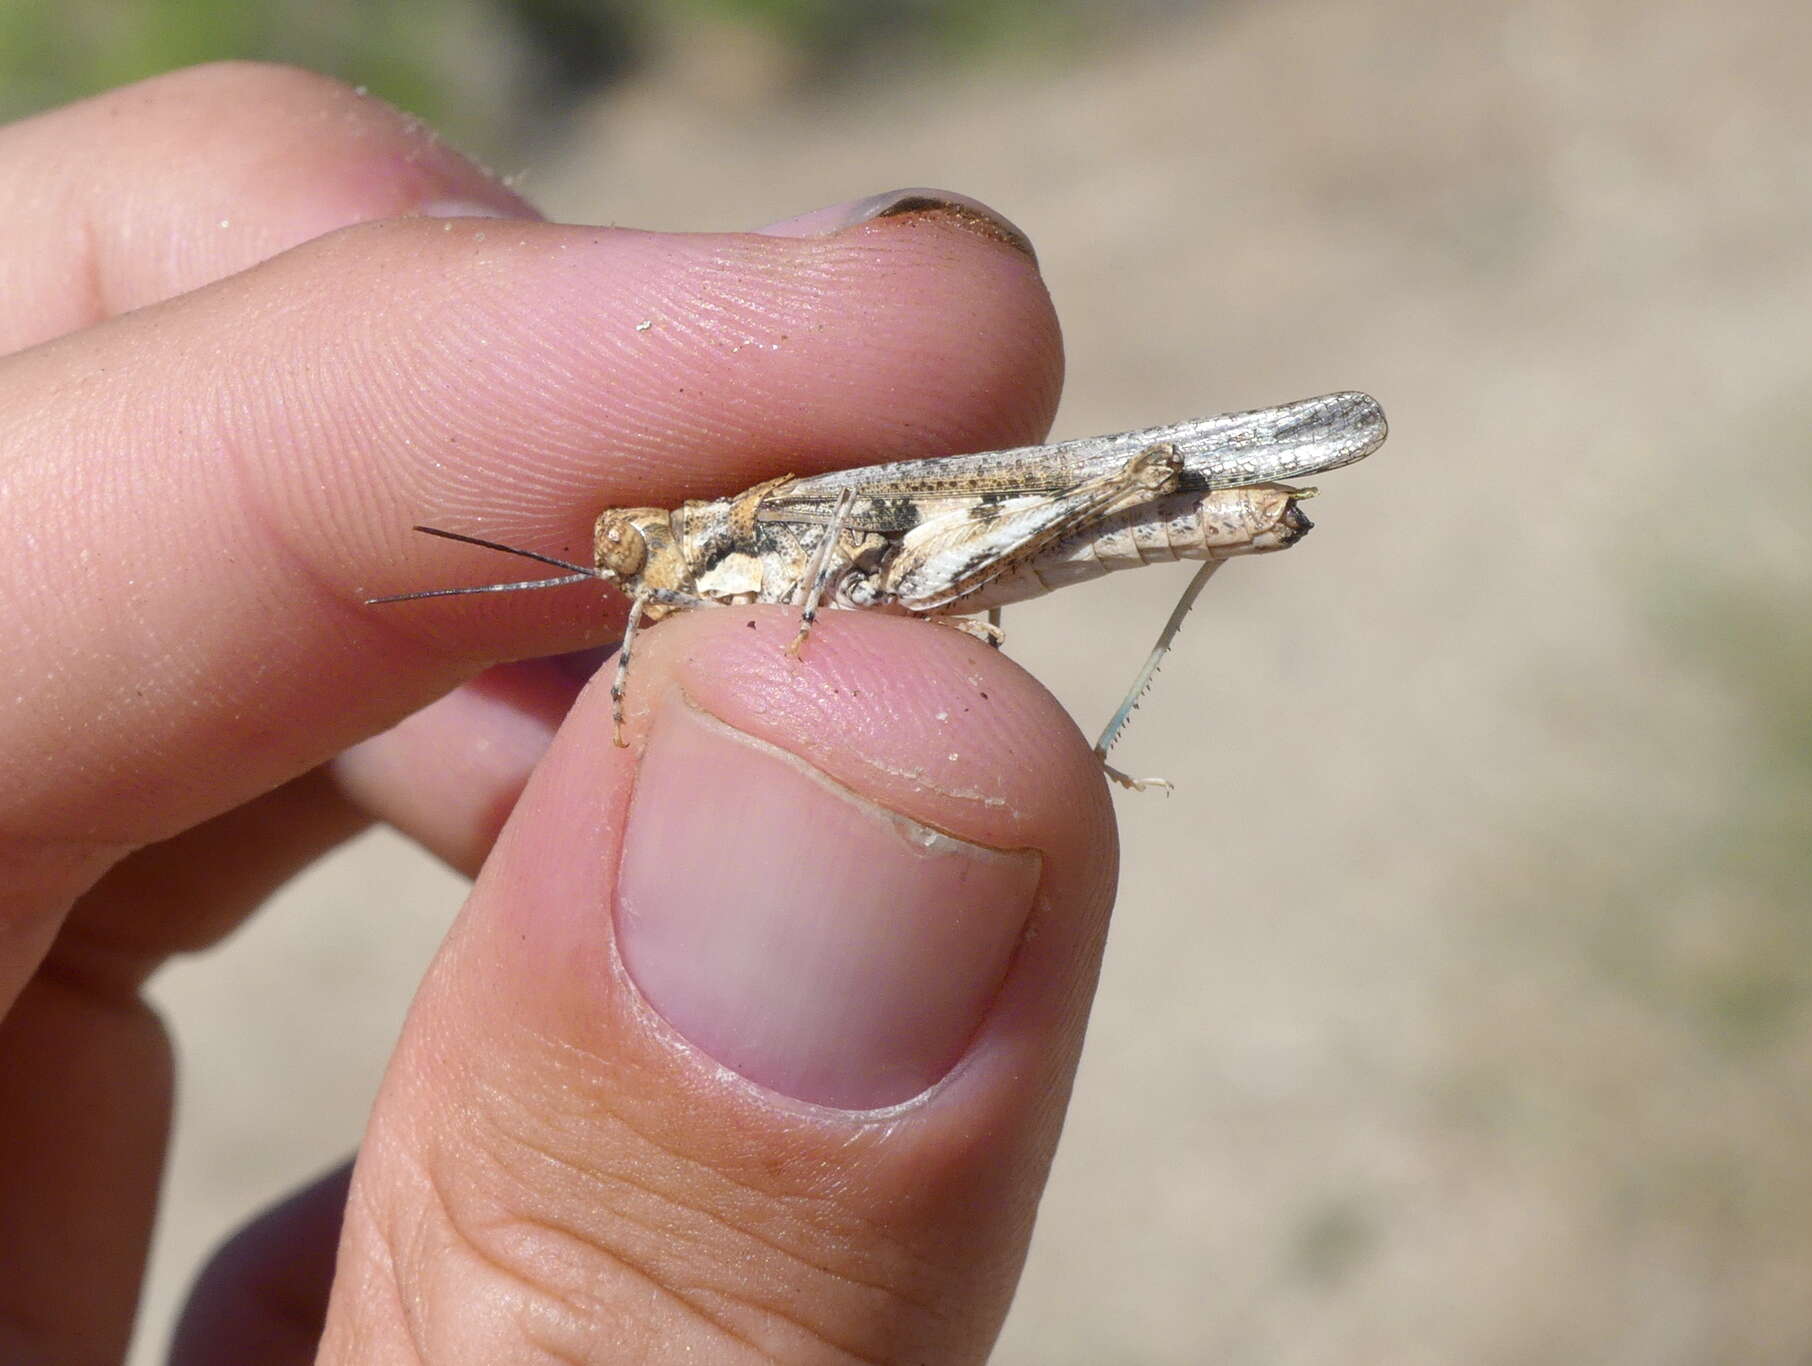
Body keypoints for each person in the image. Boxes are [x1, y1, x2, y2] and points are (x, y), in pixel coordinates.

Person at [0, 62, 1115, 1365]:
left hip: (991, 517)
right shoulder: (668, 573)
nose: (634, 567)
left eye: (643, 546)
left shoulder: (744, 539)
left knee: (1081, 509)